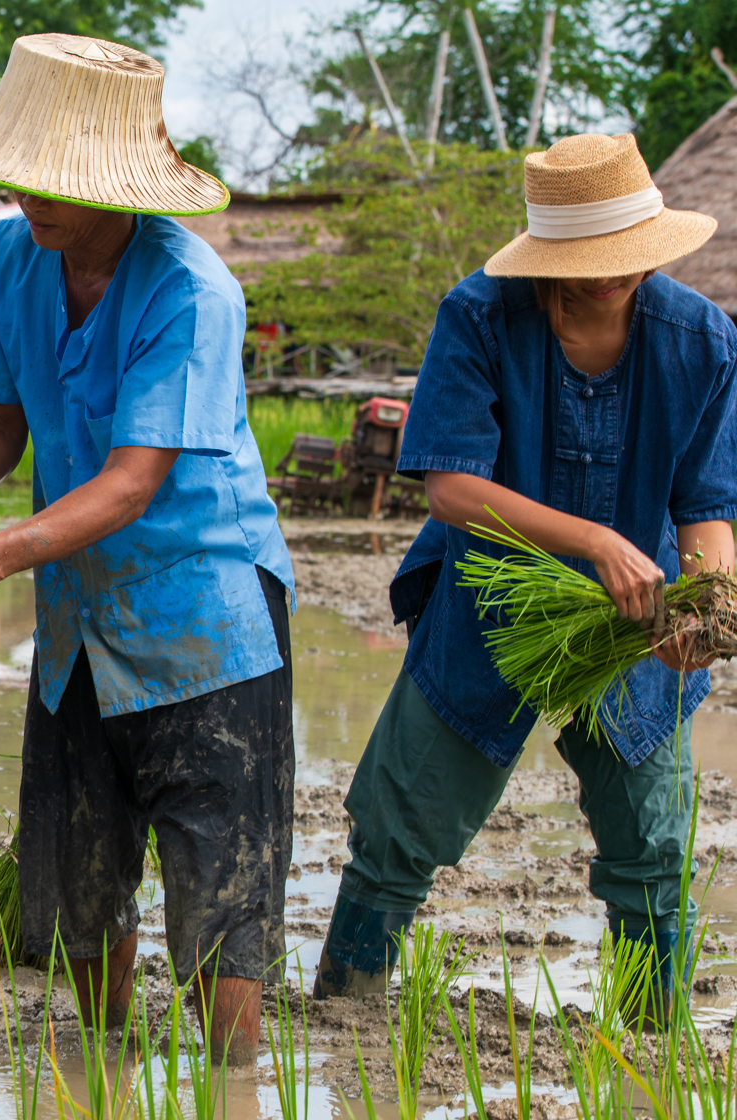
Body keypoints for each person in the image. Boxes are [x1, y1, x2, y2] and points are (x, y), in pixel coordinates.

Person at [0, 33, 294, 1064]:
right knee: (77, 867)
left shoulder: (186, 290)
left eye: (56, 179)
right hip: (76, 620)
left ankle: (228, 1085)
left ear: (116, 182)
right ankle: (100, 1066)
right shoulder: (11, 257)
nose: (29, 196)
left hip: (203, 620)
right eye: (21, 175)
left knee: (217, 880)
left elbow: (130, 481)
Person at [313, 133, 733, 1010]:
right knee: (399, 821)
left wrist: (706, 608)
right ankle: (346, 1007)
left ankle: (651, 1039)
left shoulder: (701, 341)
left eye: (625, 258)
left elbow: (707, 504)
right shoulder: (479, 315)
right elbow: (453, 489)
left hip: (636, 608)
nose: (610, 276)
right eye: (587, 260)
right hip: (492, 593)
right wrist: (592, 541)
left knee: (652, 845)